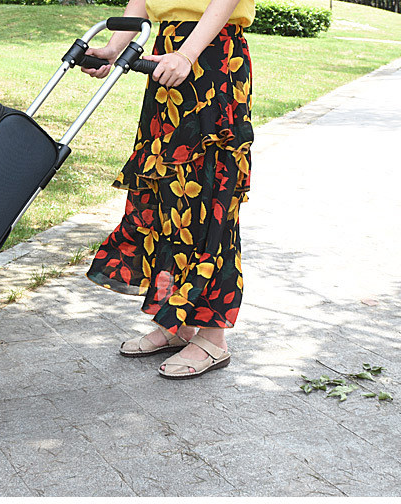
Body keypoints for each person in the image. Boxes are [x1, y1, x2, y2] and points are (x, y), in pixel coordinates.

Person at [82, 0, 254, 378]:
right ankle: (177, 324)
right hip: (169, 58)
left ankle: (213, 339)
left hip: (211, 56)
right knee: (167, 195)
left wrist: (187, 54)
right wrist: (113, 48)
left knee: (209, 198)